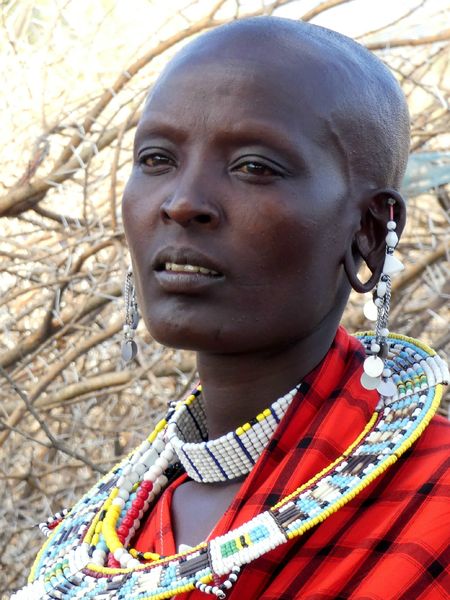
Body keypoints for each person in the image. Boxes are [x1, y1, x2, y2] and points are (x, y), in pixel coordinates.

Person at [14, 16, 449, 600]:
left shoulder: (432, 504)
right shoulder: (121, 521)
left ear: (371, 231)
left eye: (253, 167)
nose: (183, 202)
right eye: (156, 159)